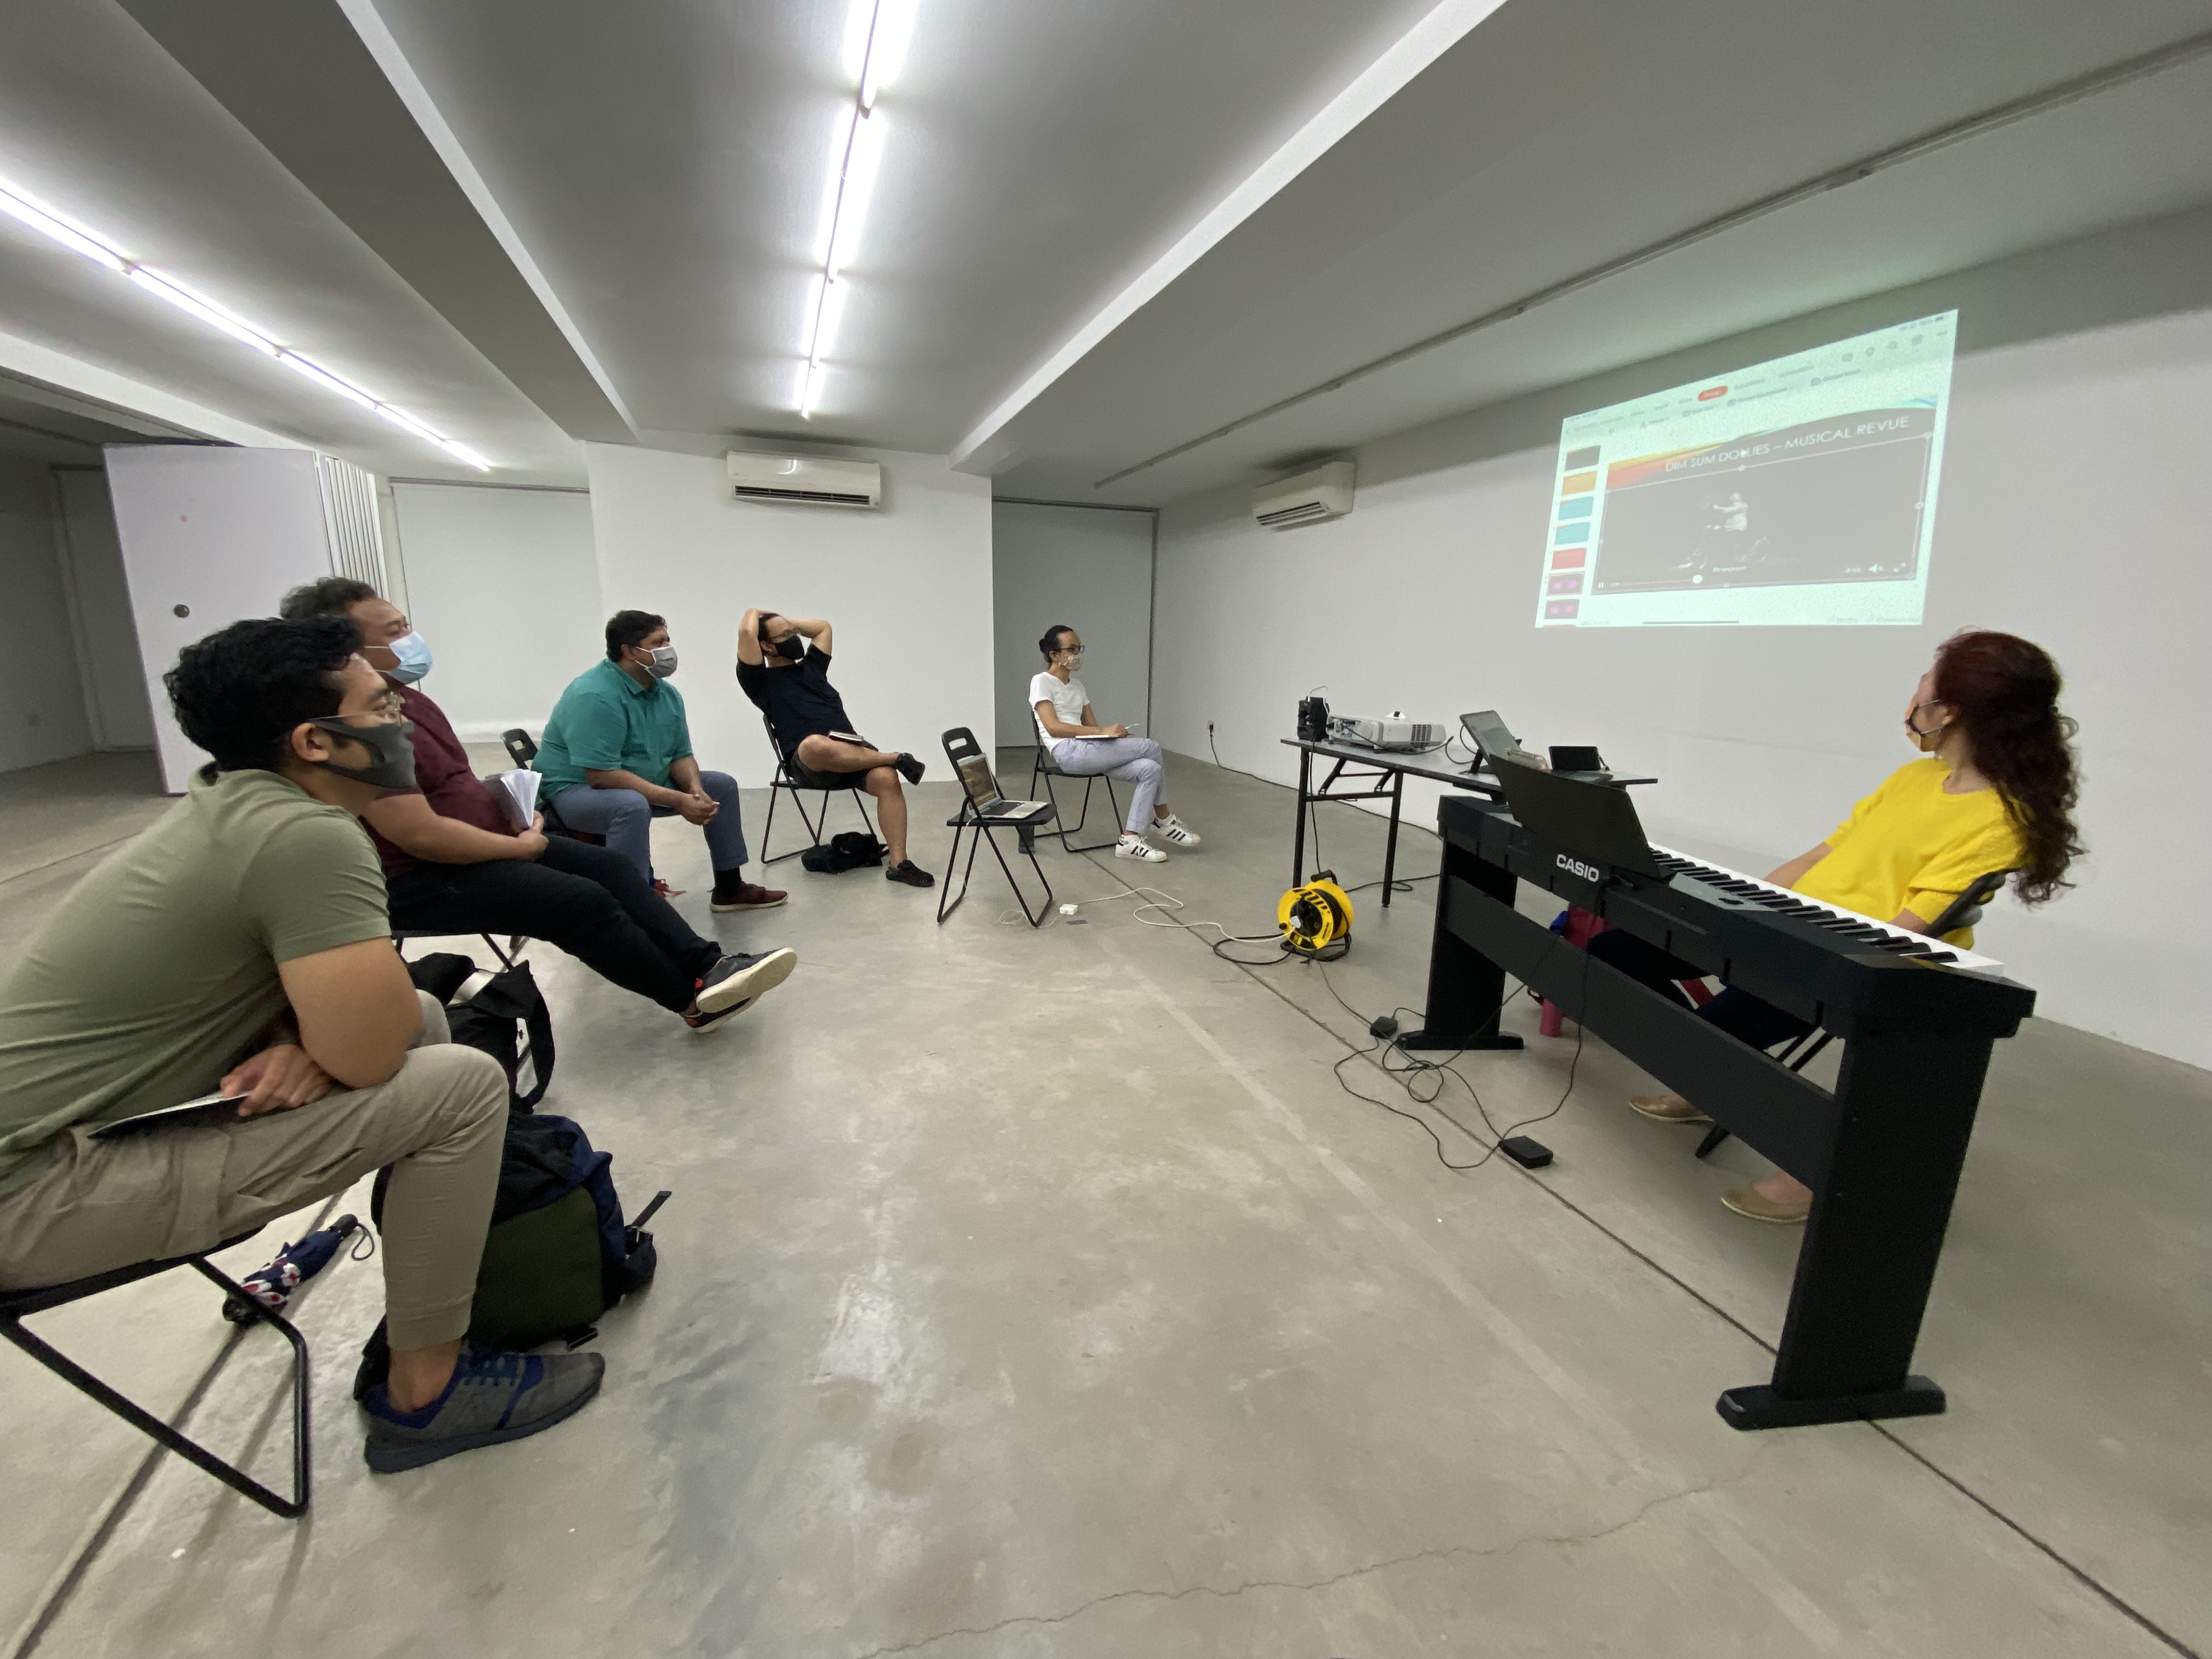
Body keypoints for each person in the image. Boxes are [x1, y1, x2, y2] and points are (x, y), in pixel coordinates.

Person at [0, 617, 601, 1472]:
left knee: (428, 1028)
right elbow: (367, 1051)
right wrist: (329, 1046)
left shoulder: (236, 804)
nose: (405, 723)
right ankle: (427, 1395)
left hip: (68, 1138)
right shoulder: (307, 838)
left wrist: (301, 1037)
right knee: (461, 1083)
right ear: (317, 741)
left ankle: (435, 1296)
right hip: (33, 1195)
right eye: (383, 704)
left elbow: (368, 1019)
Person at [1592, 629, 2083, 1225]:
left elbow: (1906, 927)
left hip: (1857, 960)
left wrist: (1794, 949)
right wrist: (1743, 904)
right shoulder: (1914, 781)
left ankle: (1809, 1163)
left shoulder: (2002, 818)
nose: (1911, 704)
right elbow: (1824, 853)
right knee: (1618, 953)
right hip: (1789, 926)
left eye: (1921, 691)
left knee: (1712, 1034)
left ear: (1946, 711)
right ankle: (1703, 1078)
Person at [279, 579, 794, 1034]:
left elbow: (448, 785)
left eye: (406, 625)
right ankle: (692, 1001)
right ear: (346, 652)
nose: (411, 639)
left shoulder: (408, 700)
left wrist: (505, 808)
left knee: (611, 868)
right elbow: (420, 836)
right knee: (580, 901)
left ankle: (712, 964)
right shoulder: (357, 728)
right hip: (427, 873)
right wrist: (517, 844)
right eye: (394, 631)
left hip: (493, 841)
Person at [535, 611, 781, 911]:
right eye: (658, 642)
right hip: (573, 790)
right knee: (629, 806)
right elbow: (602, 775)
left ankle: (730, 889)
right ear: (628, 651)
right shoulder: (595, 695)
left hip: (637, 780)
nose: (668, 650)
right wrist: (678, 800)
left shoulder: (666, 694)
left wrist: (693, 789)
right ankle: (635, 904)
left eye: (668, 640)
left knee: (721, 786)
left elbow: (680, 754)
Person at [735, 608, 935, 889]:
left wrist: (789, 625)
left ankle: (898, 863)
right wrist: (757, 611)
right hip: (810, 764)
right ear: (766, 646)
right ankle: (897, 757)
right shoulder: (759, 682)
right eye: (785, 636)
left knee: (886, 778)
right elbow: (746, 632)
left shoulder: (812, 668)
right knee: (816, 743)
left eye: (794, 634)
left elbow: (823, 628)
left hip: (852, 756)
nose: (794, 639)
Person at [1029, 625, 1200, 864]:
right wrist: (1102, 732)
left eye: (1079, 648)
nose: (1077, 655)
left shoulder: (1078, 687)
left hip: (1090, 751)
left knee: (1150, 769)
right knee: (1152, 747)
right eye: (1071, 649)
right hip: (1068, 753)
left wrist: (1110, 738)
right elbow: (1053, 728)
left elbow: (1092, 727)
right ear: (1054, 655)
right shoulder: (1042, 682)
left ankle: (1129, 840)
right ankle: (1163, 820)